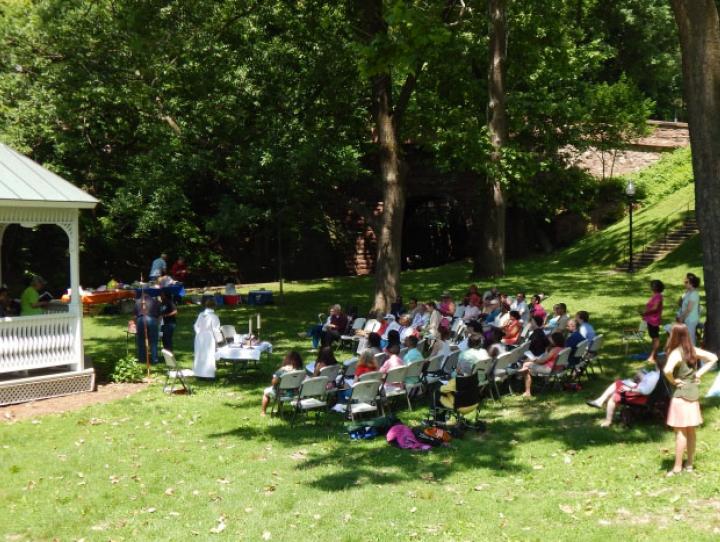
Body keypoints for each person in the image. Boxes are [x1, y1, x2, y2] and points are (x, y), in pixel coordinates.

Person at [663, 323, 717, 476]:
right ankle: (689, 465)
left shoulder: (675, 353)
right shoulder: (692, 350)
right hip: (693, 394)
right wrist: (698, 374)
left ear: (673, 335)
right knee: (691, 431)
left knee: (680, 433)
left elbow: (667, 370)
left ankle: (677, 468)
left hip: (680, 395)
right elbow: (713, 358)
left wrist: (673, 381)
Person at [586, 359, 665, 427]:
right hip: (646, 395)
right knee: (620, 384)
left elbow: (645, 391)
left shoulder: (654, 376)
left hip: (641, 397)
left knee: (615, 395)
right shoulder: (660, 375)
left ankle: (607, 419)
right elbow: (647, 385)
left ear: (656, 364)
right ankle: (600, 402)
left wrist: (630, 389)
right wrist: (642, 376)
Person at [518, 332, 565, 397]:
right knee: (527, 365)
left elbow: (542, 361)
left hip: (548, 369)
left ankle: (527, 391)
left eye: (551, 338)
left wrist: (533, 360)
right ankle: (523, 378)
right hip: (558, 369)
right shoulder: (562, 349)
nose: (549, 339)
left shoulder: (554, 350)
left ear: (555, 340)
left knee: (526, 365)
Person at [260, 351, 304, 416]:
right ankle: (279, 410)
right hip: (295, 393)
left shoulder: (282, 370)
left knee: (266, 392)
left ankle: (263, 412)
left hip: (281, 393)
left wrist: (280, 371)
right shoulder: (301, 371)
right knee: (282, 389)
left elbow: (273, 382)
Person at [193, 299, 221, 378]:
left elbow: (195, 325)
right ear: (214, 306)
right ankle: (208, 374)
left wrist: (199, 332)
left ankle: (198, 373)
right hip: (209, 337)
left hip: (199, 337)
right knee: (209, 355)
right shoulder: (213, 316)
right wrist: (219, 339)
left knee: (199, 354)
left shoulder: (201, 314)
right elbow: (216, 329)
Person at [135, 291, 161, 365]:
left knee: (141, 340)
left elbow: (135, 315)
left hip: (141, 319)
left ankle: (142, 359)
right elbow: (159, 315)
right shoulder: (155, 301)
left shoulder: (137, 301)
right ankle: (154, 359)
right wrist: (157, 324)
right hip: (152, 319)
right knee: (153, 341)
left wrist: (136, 324)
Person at [642, 280, 664, 362]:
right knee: (653, 337)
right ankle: (653, 355)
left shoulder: (658, 296)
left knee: (655, 337)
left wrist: (645, 312)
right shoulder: (654, 296)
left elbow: (655, 308)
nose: (652, 287)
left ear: (657, 287)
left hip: (654, 320)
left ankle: (653, 356)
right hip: (650, 320)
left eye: (653, 286)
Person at [676, 273, 701, 346]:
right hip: (686, 318)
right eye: (684, 281)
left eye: (686, 282)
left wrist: (682, 318)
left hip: (691, 319)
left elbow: (689, 309)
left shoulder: (694, 294)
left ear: (692, 283)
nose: (684, 283)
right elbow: (679, 302)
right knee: (686, 337)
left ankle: (693, 355)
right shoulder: (688, 292)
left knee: (690, 338)